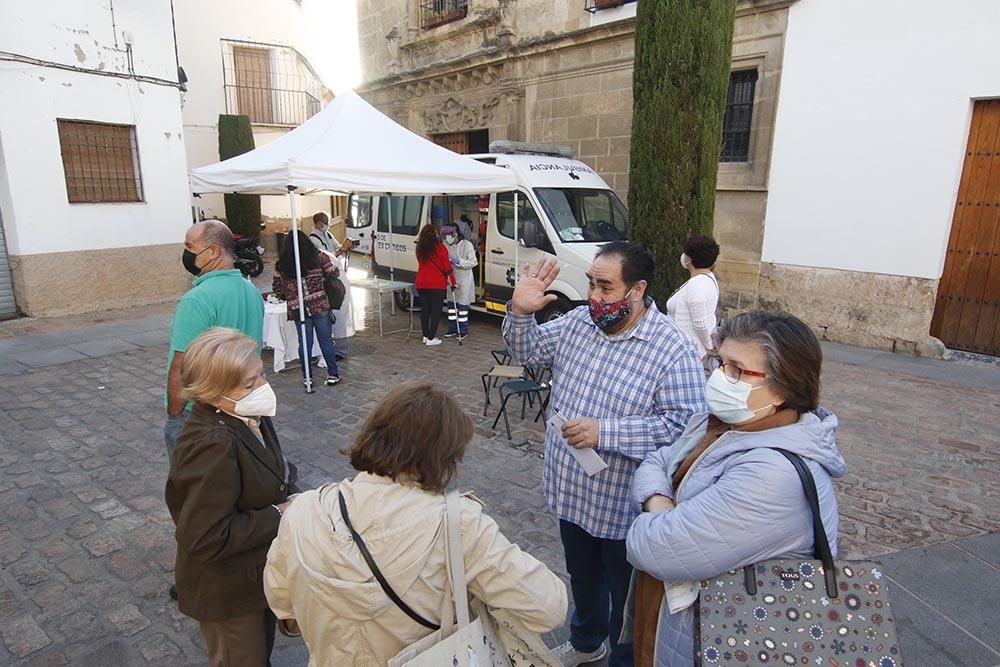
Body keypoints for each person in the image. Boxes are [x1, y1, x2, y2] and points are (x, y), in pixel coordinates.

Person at [502, 242, 707, 667]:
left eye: (606, 287)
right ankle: (585, 642)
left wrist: (606, 432)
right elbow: (529, 353)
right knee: (583, 579)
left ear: (637, 290)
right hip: (572, 492)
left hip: (624, 507)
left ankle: (624, 658)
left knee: (627, 599)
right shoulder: (580, 322)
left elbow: (684, 429)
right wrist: (521, 313)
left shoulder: (673, 349)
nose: (594, 296)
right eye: (591, 284)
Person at [263, 381, 568, 666]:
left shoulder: (303, 511)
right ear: (442, 457)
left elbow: (283, 607)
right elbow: (548, 608)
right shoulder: (457, 524)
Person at [625, 310, 846, 667]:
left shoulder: (773, 476)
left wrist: (654, 515)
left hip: (724, 640)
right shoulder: (722, 423)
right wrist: (660, 501)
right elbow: (656, 461)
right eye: (718, 362)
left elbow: (653, 548)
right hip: (678, 625)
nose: (718, 376)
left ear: (781, 388)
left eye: (736, 369)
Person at [165, 327, 298, 667]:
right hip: (227, 590)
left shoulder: (246, 414)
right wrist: (282, 513)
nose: (263, 388)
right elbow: (206, 535)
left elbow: (273, 471)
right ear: (212, 393)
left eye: (261, 375)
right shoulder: (212, 444)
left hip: (253, 576)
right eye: (250, 384)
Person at [165, 219, 264, 459]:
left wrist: (174, 416)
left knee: (195, 487)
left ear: (213, 252)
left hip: (200, 412)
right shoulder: (251, 291)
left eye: (190, 247)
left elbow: (181, 367)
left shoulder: (196, 300)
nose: (186, 253)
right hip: (239, 404)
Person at [271, 230, 341, 388]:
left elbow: (278, 289)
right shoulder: (318, 257)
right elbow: (334, 273)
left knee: (304, 343)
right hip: (320, 305)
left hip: (298, 308)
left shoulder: (282, 264)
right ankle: (333, 374)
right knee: (326, 340)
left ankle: (307, 377)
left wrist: (290, 294)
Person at [665, 236, 720, 360]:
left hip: (686, 350)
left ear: (689, 258)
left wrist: (709, 346)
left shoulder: (697, 284)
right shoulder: (706, 278)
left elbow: (700, 323)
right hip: (686, 348)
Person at [309, 211, 356, 358]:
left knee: (340, 314)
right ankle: (329, 349)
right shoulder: (313, 239)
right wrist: (342, 249)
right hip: (327, 281)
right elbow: (327, 258)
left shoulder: (328, 235)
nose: (327, 225)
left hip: (337, 279)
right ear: (318, 223)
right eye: (325, 222)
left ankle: (340, 349)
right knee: (332, 315)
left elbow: (337, 249)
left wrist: (346, 246)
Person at [414, 224, 456, 346]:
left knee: (425, 311)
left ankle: (425, 335)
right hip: (437, 284)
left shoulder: (419, 248)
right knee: (436, 312)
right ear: (435, 235)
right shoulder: (441, 248)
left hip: (422, 283)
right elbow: (447, 268)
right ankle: (431, 338)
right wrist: (453, 282)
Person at [442, 223, 477, 338]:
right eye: (447, 235)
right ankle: (452, 328)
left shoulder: (467, 245)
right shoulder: (445, 245)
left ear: (457, 233)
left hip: (464, 279)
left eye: (451, 234)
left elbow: (473, 262)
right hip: (451, 278)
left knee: (462, 307)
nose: (449, 237)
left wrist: (458, 262)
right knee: (451, 306)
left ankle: (463, 330)